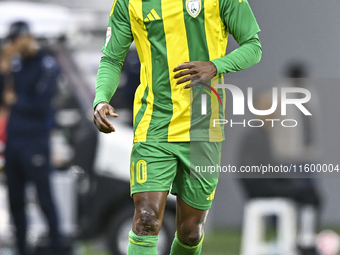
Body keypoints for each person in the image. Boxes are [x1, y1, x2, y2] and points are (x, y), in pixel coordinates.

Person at [93, 0, 262, 254]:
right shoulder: (129, 3)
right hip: (154, 125)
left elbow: (253, 47)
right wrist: (101, 98)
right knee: (146, 218)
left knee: (191, 231)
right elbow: (111, 57)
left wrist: (216, 65)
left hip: (203, 127)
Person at [0, 21, 63, 255]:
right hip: (14, 141)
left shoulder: (45, 63)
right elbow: (3, 97)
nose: (15, 45)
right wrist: (3, 70)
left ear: (28, 38)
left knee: (44, 198)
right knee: (15, 200)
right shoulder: (14, 65)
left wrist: (15, 101)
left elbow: (42, 103)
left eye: (18, 39)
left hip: (35, 140)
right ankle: (21, 248)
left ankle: (57, 247)